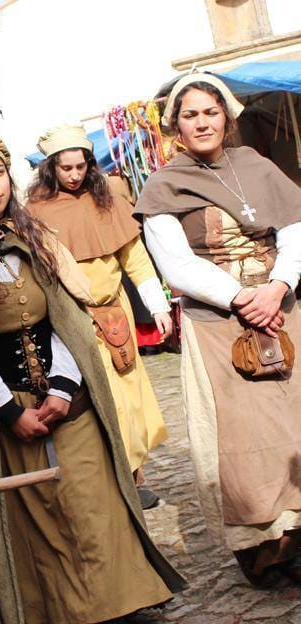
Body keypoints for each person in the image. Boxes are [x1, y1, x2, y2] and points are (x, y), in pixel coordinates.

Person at [0, 133, 185, 624]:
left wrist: (62, 388)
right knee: (40, 521)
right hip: (5, 411)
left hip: (69, 401)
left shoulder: (35, 235)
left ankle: (120, 603)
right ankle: (63, 612)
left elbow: (68, 318)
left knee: (94, 503)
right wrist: (9, 412)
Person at [135, 72, 301, 587]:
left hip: (285, 309)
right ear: (176, 124)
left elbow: (294, 229)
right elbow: (175, 264)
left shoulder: (256, 165)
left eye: (211, 112)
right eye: (191, 115)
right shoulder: (165, 185)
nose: (202, 122)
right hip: (220, 324)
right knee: (247, 437)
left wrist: (278, 286)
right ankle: (269, 551)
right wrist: (243, 298)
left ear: (226, 117)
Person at [26, 124, 172, 509]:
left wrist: (158, 305)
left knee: (128, 395)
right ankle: (112, 479)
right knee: (94, 398)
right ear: (51, 168)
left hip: (115, 312)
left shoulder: (108, 200)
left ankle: (134, 474)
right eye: (66, 168)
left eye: (81, 166)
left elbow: (135, 259)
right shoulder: (34, 212)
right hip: (72, 318)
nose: (74, 175)